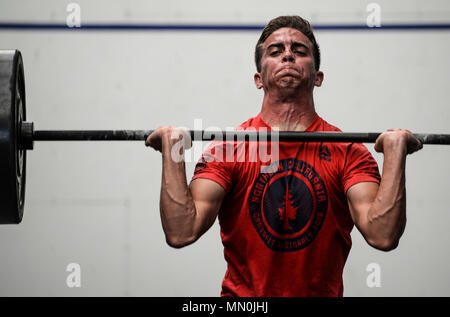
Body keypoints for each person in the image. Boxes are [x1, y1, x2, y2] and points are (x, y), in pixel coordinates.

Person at [145, 15, 423, 296]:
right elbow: (181, 232)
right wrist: (172, 152)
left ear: (318, 77)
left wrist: (395, 155)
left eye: (299, 51)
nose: (288, 55)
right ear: (258, 78)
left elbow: (383, 235)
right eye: (275, 52)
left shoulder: (349, 152)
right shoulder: (228, 150)